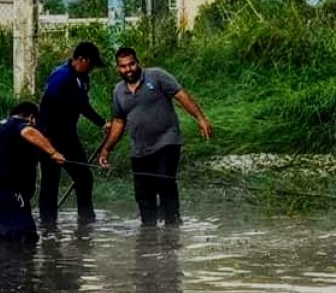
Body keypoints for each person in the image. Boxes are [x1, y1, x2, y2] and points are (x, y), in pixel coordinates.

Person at [98, 46, 213, 227]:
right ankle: (148, 237)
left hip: (167, 140)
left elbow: (181, 95)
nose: (128, 70)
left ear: (138, 63)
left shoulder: (157, 76)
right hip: (140, 149)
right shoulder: (118, 91)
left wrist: (200, 118)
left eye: (131, 64)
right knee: (143, 195)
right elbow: (119, 123)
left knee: (164, 181)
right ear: (118, 68)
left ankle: (172, 225)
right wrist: (106, 149)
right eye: (123, 66)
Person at [38, 41, 110, 224]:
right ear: (81, 59)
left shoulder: (83, 78)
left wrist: (102, 123)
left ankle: (86, 220)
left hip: (69, 136)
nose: (92, 68)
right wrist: (46, 139)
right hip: (51, 136)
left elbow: (83, 106)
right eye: (91, 64)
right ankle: (48, 225)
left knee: (84, 177)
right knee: (50, 182)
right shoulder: (61, 76)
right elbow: (46, 105)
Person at [0, 101, 65, 243]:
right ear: (31, 118)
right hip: (6, 194)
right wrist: (53, 152)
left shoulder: (0, 128)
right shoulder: (19, 123)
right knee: (26, 239)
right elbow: (28, 132)